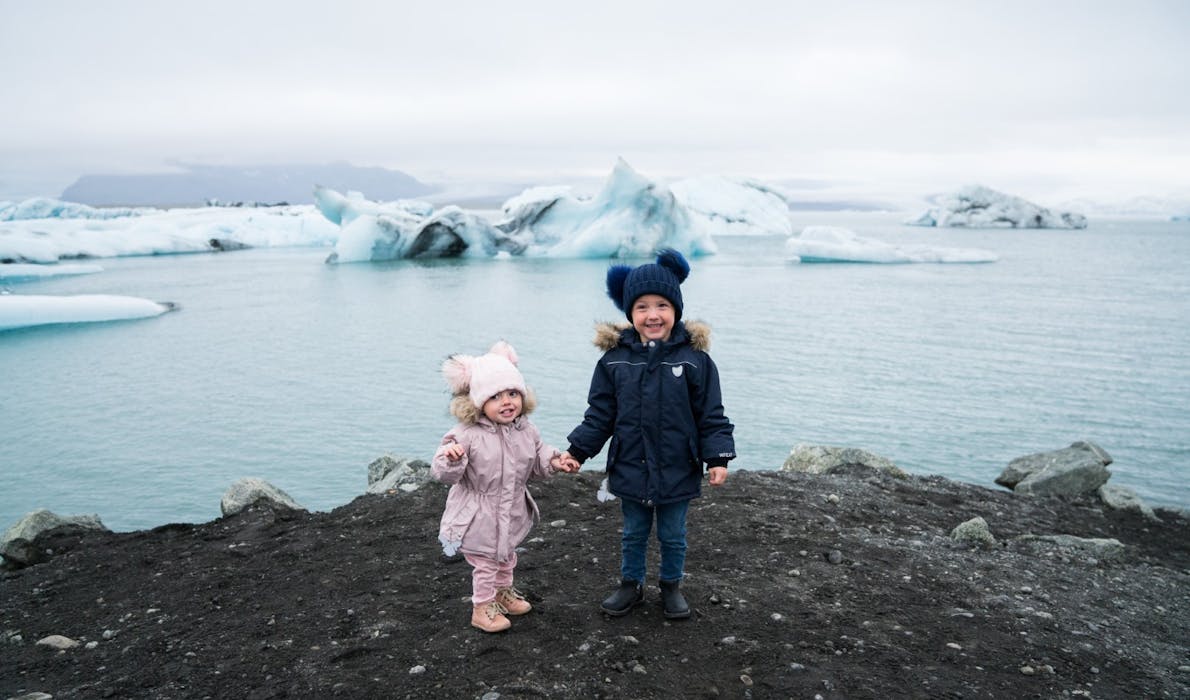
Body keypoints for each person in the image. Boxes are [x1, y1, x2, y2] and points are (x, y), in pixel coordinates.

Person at [562, 248, 735, 619]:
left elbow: (711, 414)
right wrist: (577, 451)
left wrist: (717, 457)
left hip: (678, 465)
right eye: (642, 307)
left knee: (673, 534)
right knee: (634, 532)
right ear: (630, 313)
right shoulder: (614, 361)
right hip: (631, 464)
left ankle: (671, 586)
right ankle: (631, 584)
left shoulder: (695, 361)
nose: (652, 314)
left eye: (661, 305)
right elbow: (601, 413)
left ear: (676, 310)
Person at [431, 341, 578, 633]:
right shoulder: (466, 434)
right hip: (477, 514)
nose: (507, 401)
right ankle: (481, 608)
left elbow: (536, 458)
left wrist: (555, 461)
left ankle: (501, 594)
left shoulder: (526, 429)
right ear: (478, 401)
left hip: (510, 509)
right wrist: (451, 459)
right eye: (496, 396)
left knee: (507, 555)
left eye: (513, 393)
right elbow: (442, 472)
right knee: (485, 564)